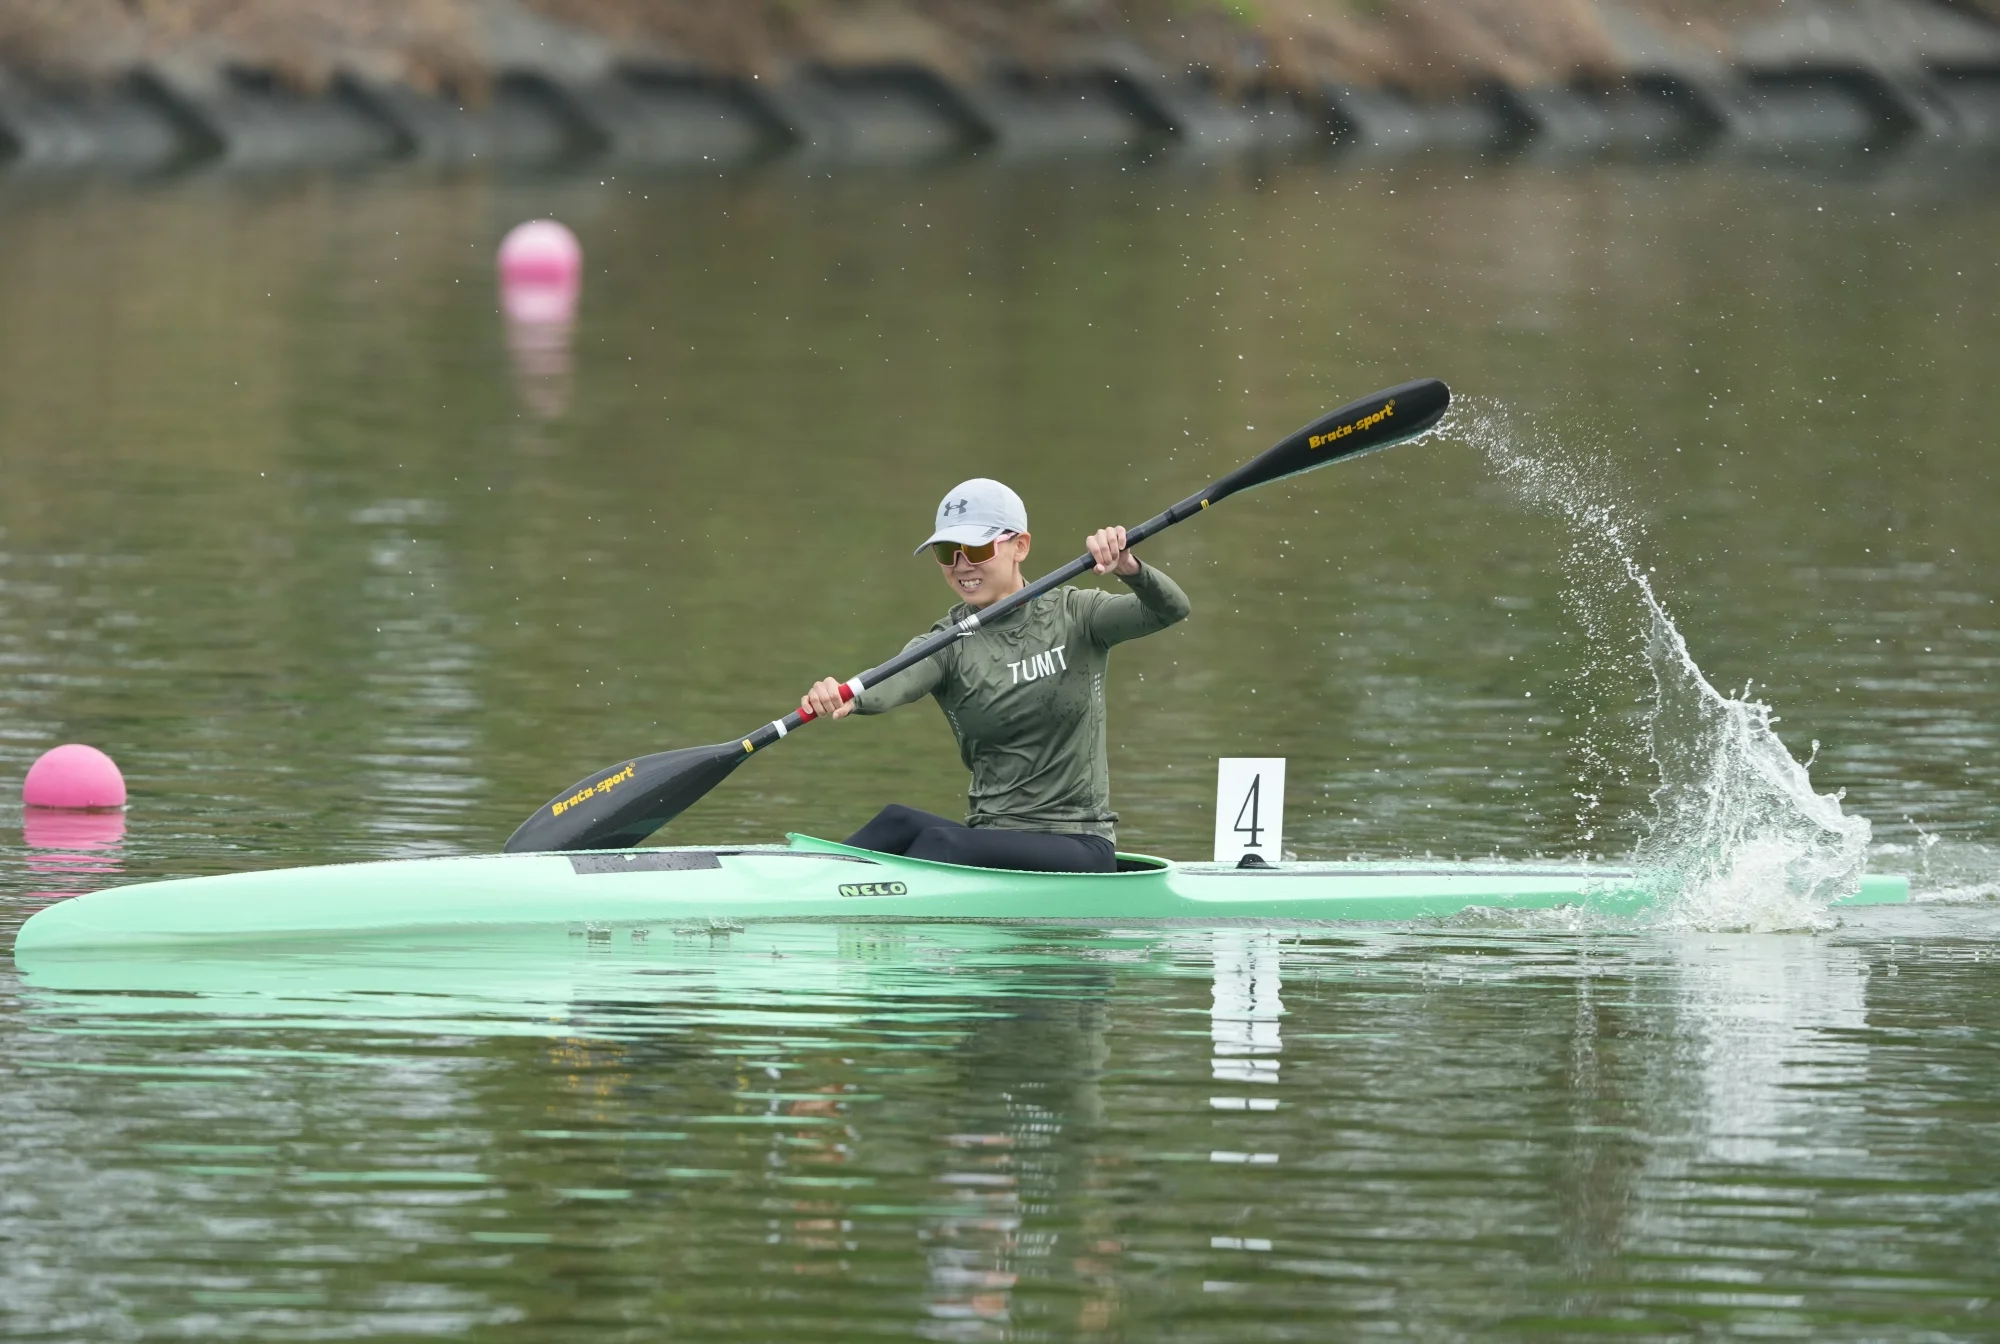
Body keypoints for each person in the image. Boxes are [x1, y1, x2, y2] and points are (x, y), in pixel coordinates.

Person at [802, 478, 1190, 873]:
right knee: (896, 821)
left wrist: (1130, 568)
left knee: (939, 842)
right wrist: (848, 694)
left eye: (975, 548)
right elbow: (893, 680)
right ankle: (804, 882)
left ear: (1020, 546)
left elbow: (1169, 610)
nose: (961, 565)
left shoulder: (1077, 615)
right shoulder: (949, 643)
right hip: (989, 836)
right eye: (946, 552)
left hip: (1076, 843)